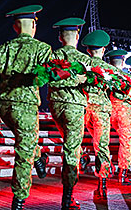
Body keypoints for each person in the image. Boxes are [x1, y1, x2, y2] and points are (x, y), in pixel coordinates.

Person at [0, 5, 51, 210]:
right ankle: (19, 200)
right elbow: (45, 77)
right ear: (33, 25)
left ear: (15, 26)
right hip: (26, 107)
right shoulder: (42, 49)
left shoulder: (3, 49)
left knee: (26, 139)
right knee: (23, 153)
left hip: (5, 108)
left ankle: (39, 158)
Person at [47, 18, 89, 210]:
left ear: (60, 37)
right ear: (77, 36)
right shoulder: (85, 60)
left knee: (68, 144)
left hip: (56, 107)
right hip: (74, 107)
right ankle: (68, 198)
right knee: (72, 150)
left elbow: (49, 79)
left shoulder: (52, 56)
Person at [81, 30, 113, 200]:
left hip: (84, 107)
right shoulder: (110, 69)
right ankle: (102, 184)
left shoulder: (82, 65)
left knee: (74, 139)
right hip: (101, 111)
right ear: (103, 50)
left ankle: (81, 157)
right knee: (102, 146)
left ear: (88, 50)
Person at [105, 49, 131, 185]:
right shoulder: (127, 76)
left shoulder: (104, 73)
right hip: (124, 111)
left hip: (108, 109)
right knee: (125, 142)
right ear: (122, 61)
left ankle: (107, 168)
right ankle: (123, 174)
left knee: (101, 142)